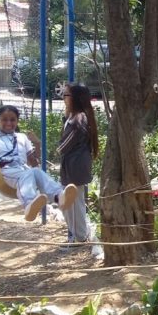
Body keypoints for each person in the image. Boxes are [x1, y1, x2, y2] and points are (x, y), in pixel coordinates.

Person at [0, 105, 77, 221]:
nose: (8, 123)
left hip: (22, 171)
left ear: (17, 121)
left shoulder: (22, 137)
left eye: (12, 120)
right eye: (4, 119)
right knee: (27, 173)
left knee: (36, 171)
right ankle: (29, 204)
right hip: (2, 172)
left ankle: (59, 197)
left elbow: (33, 162)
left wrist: (37, 144)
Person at [58, 83, 99, 245]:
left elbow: (64, 146)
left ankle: (79, 237)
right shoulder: (75, 116)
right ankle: (79, 235)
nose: (63, 98)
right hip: (74, 166)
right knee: (72, 204)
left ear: (75, 98)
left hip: (75, 168)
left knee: (73, 205)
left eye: (66, 95)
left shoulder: (78, 119)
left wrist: (58, 150)